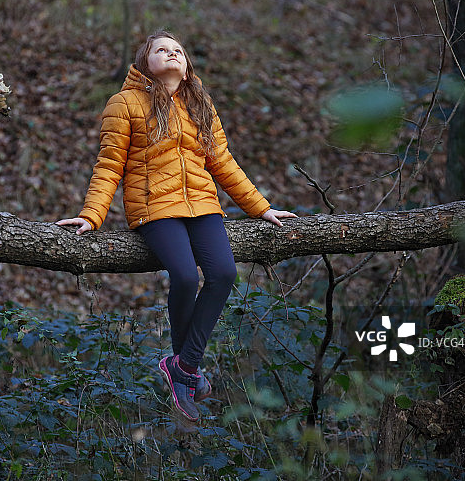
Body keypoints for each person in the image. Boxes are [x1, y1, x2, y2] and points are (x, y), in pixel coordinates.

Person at [57, 30, 296, 421]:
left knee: (223, 274)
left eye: (178, 51)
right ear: (144, 62)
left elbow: (222, 161)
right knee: (185, 277)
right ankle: (188, 370)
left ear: (186, 68)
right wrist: (91, 214)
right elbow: (110, 164)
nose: (172, 54)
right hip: (154, 207)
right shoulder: (124, 103)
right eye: (161, 49)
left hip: (202, 205)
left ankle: (183, 366)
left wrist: (261, 208)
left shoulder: (200, 102)